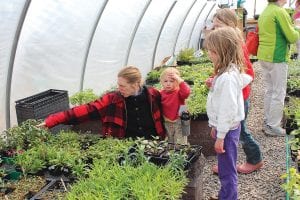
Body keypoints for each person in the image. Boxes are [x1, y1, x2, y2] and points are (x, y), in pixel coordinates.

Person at [38, 66, 166, 139]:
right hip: (123, 147)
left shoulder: (153, 95)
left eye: (123, 86)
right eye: (118, 84)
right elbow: (85, 110)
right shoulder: (112, 100)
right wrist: (51, 121)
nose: (119, 88)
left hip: (153, 144)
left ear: (136, 84)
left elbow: (172, 105)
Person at [208, 8, 263, 175]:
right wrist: (216, 80)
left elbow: (249, 74)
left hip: (238, 98)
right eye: (214, 26)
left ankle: (255, 159)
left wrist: (229, 84)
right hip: (232, 95)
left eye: (219, 26)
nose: (215, 30)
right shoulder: (226, 44)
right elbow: (225, 70)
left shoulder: (237, 46)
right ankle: (226, 164)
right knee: (234, 133)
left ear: (231, 26)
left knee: (241, 132)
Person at [205, 27, 252, 200]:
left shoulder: (227, 78)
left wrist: (220, 136)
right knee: (226, 166)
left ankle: (229, 197)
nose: (209, 54)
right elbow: (246, 78)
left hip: (227, 130)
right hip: (226, 129)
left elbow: (227, 110)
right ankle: (225, 195)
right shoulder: (230, 72)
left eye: (212, 51)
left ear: (221, 52)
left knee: (227, 170)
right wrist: (215, 127)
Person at [258, 0, 300, 136]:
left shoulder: (266, 10)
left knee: (270, 90)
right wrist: (297, 27)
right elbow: (292, 37)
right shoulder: (279, 11)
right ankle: (273, 126)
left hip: (264, 55)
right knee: (279, 92)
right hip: (277, 56)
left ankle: (267, 121)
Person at [159, 67, 191, 145]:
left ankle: (182, 153)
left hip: (180, 120)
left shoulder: (178, 93)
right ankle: (171, 155)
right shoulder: (160, 94)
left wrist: (180, 80)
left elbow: (186, 92)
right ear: (161, 82)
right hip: (167, 121)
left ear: (177, 82)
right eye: (165, 81)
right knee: (169, 140)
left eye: (172, 81)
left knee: (181, 141)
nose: (168, 83)